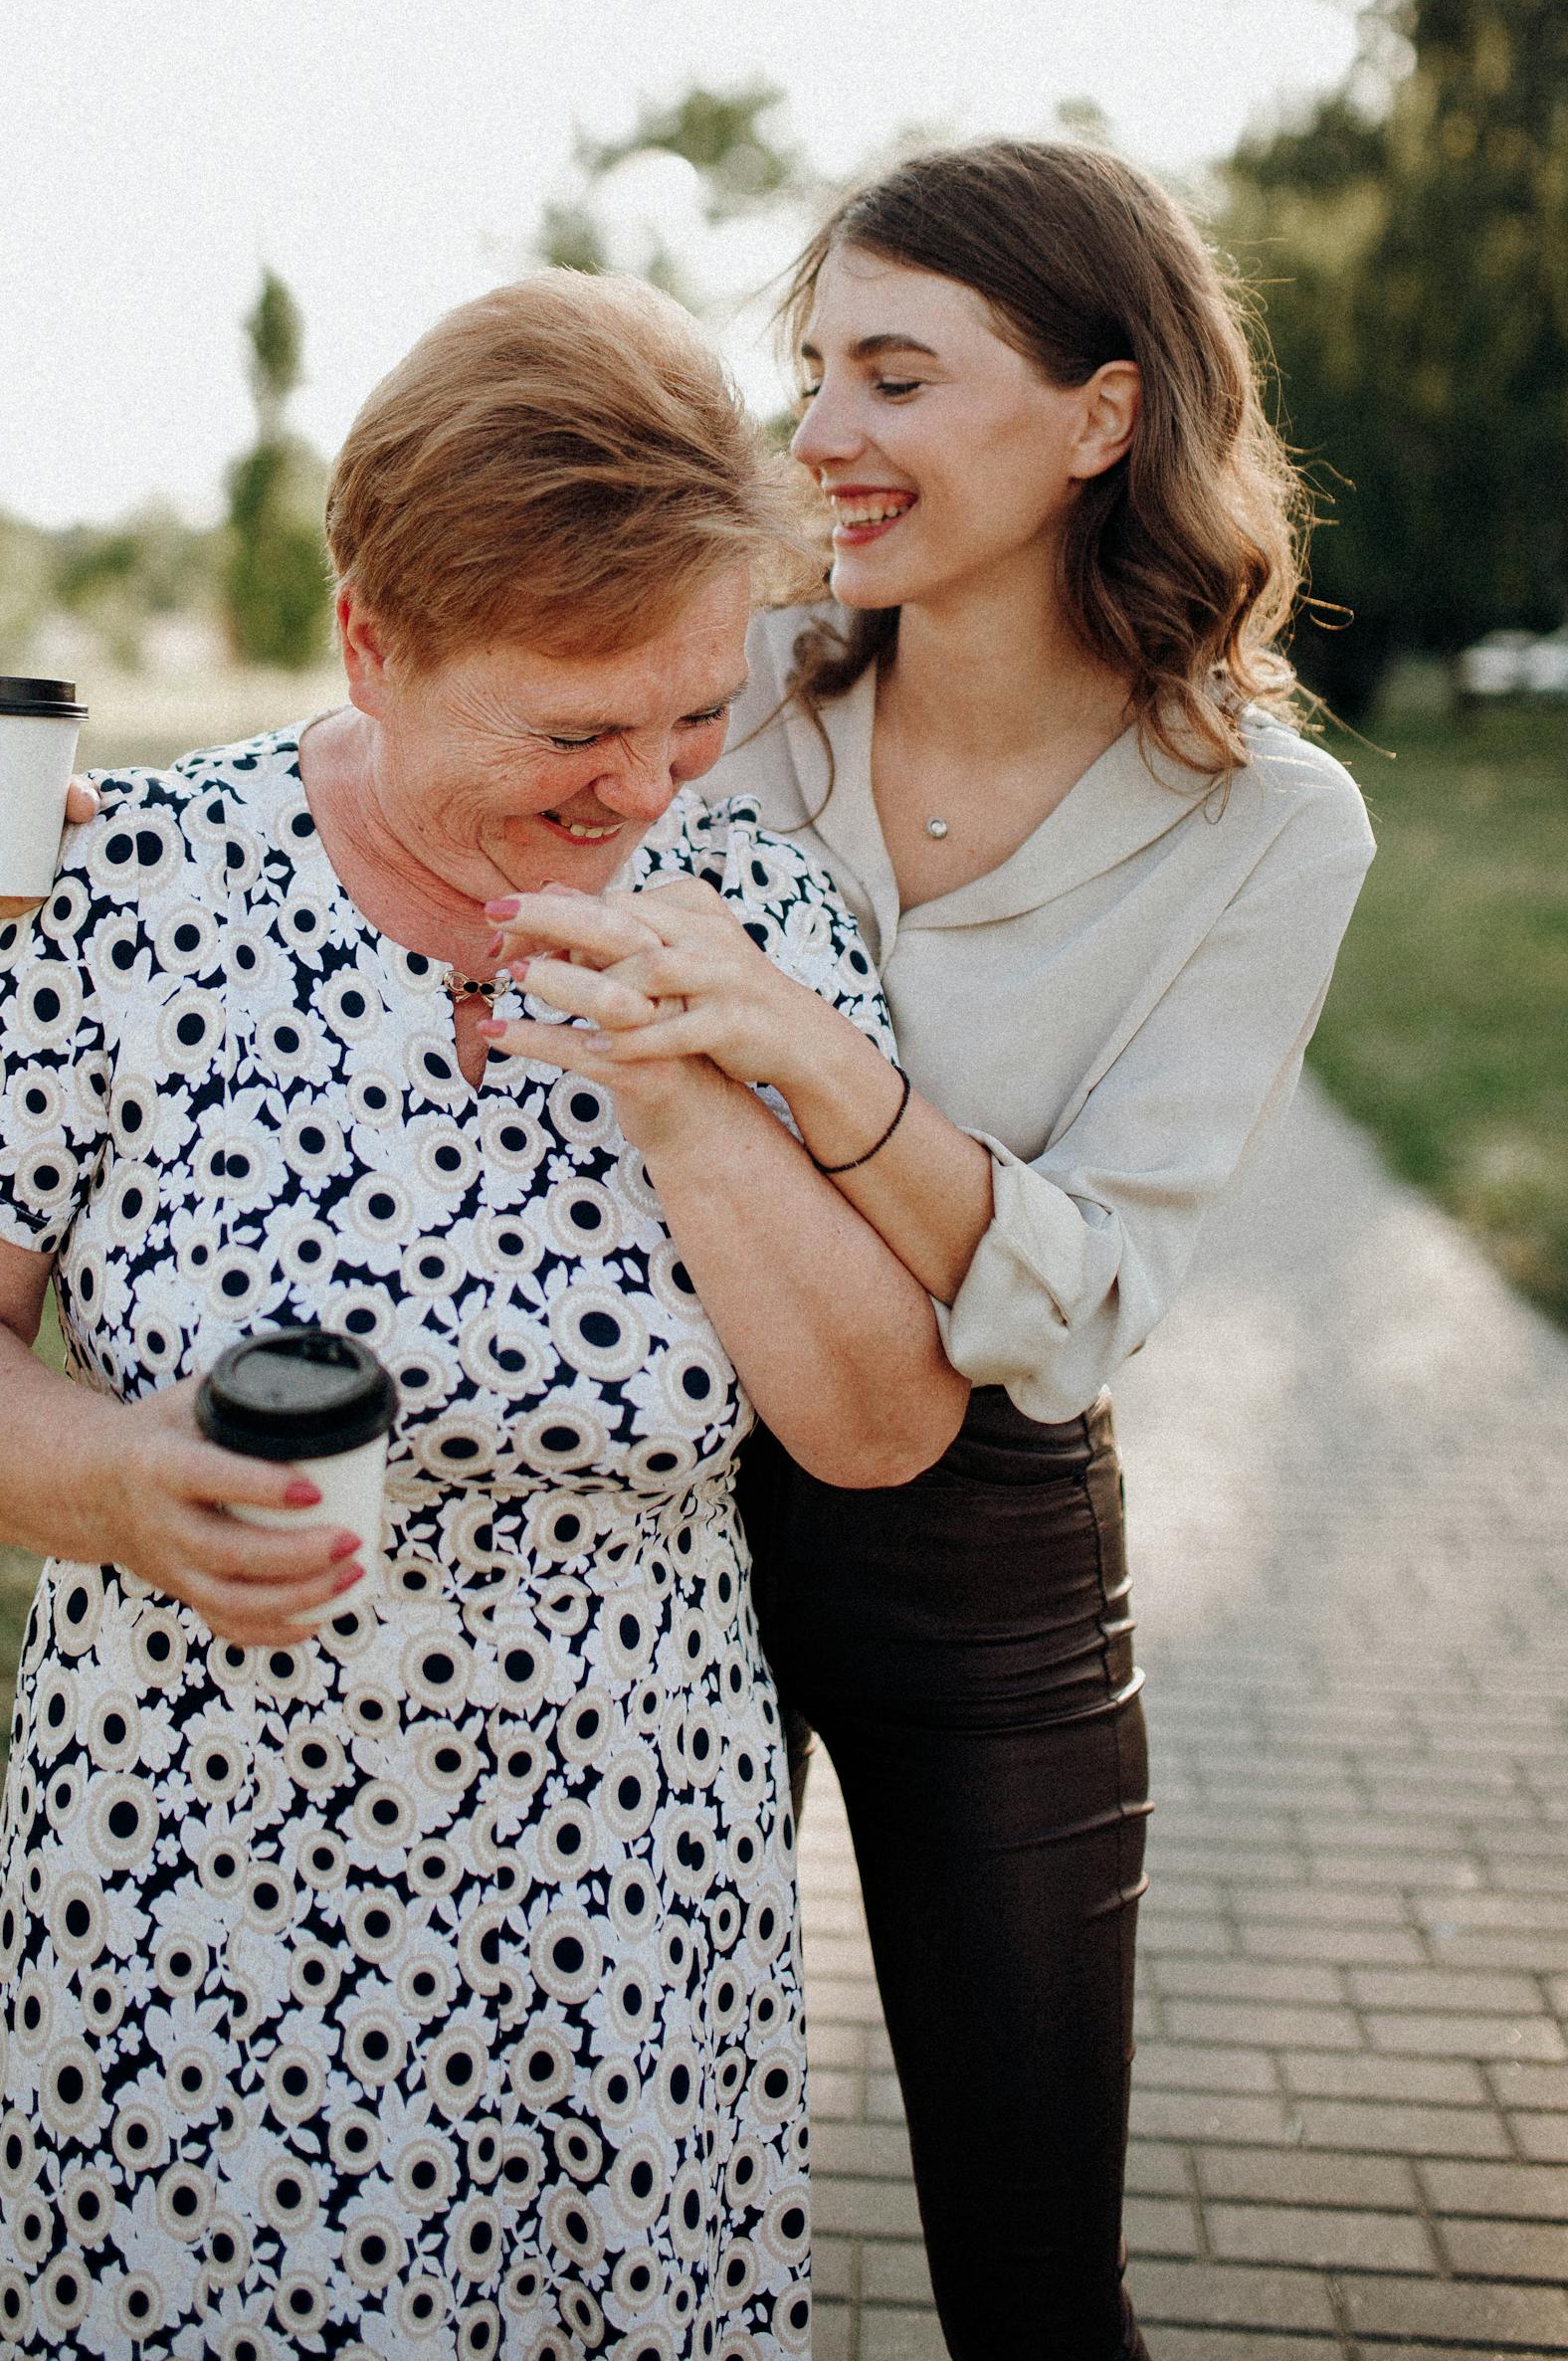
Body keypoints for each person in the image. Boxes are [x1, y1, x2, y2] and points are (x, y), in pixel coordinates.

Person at [0, 270, 963, 2361]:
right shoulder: (124, 892)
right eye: (570, 729)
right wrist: (108, 1478)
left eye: (697, 712)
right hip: (192, 1903)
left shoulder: (761, 908)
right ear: (371, 637)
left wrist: (691, 1089)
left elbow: (881, 1427)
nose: (646, 788)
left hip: (628, 1913)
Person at [481, 141, 1375, 2361]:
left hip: (976, 1556)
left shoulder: (1267, 827)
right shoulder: (744, 679)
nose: (823, 438)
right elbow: (431, 778)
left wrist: (807, 1052)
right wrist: (95, 836)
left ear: (1100, 416)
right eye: (815, 376)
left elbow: (1077, 1295)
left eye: (896, 372)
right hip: (643, 1509)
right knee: (565, 2207)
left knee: (1034, 2266)